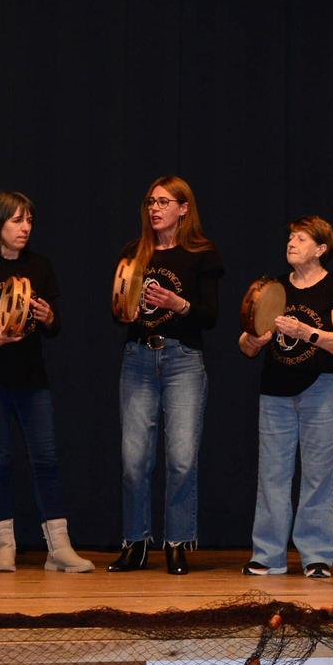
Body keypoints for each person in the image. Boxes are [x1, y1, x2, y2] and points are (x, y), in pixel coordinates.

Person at [0, 192, 93, 573]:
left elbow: (56, 326)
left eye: (29, 220)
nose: (25, 227)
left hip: (31, 379)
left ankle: (58, 548)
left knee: (45, 459)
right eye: (16, 220)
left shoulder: (40, 266)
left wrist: (47, 318)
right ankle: (3, 545)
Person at [108, 176, 223, 576]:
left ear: (183, 208)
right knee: (134, 458)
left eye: (163, 202)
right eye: (150, 202)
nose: (155, 209)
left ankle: (176, 543)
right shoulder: (133, 252)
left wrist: (178, 303)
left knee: (181, 458)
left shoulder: (203, 255)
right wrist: (129, 307)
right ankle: (136, 543)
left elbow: (210, 316)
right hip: (139, 358)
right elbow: (117, 311)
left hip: (182, 360)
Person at [238, 216, 333, 579]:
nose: (291, 243)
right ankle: (268, 555)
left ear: (320, 249)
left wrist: (308, 333)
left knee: (318, 476)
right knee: (272, 475)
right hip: (275, 392)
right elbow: (244, 343)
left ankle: (316, 555)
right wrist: (254, 341)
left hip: (325, 390)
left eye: (301, 238)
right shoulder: (271, 289)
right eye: (290, 237)